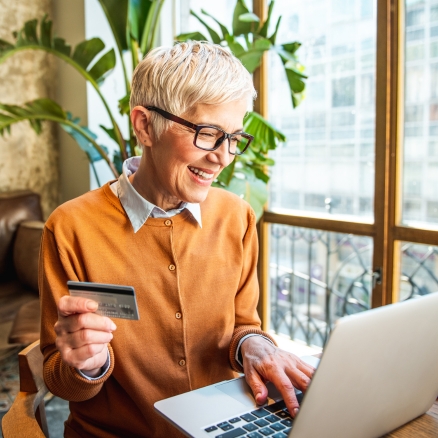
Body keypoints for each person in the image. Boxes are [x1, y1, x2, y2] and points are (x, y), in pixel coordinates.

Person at [39, 41, 315, 437]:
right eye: (207, 134)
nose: (223, 157)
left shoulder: (236, 216)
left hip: (225, 428)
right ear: (144, 126)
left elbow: (242, 326)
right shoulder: (70, 228)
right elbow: (59, 379)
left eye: (234, 138)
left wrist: (255, 345)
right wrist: (87, 364)